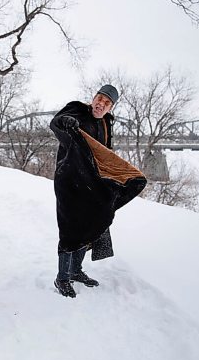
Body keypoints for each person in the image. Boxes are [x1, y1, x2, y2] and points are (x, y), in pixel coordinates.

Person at [50, 84, 146, 298]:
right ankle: (62, 278)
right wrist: (65, 122)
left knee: (91, 222)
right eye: (100, 98)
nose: (101, 104)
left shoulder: (105, 123)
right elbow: (56, 122)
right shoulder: (76, 110)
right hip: (68, 180)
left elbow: (105, 152)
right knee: (69, 228)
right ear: (93, 98)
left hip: (91, 183)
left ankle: (75, 270)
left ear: (111, 107)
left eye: (107, 102)